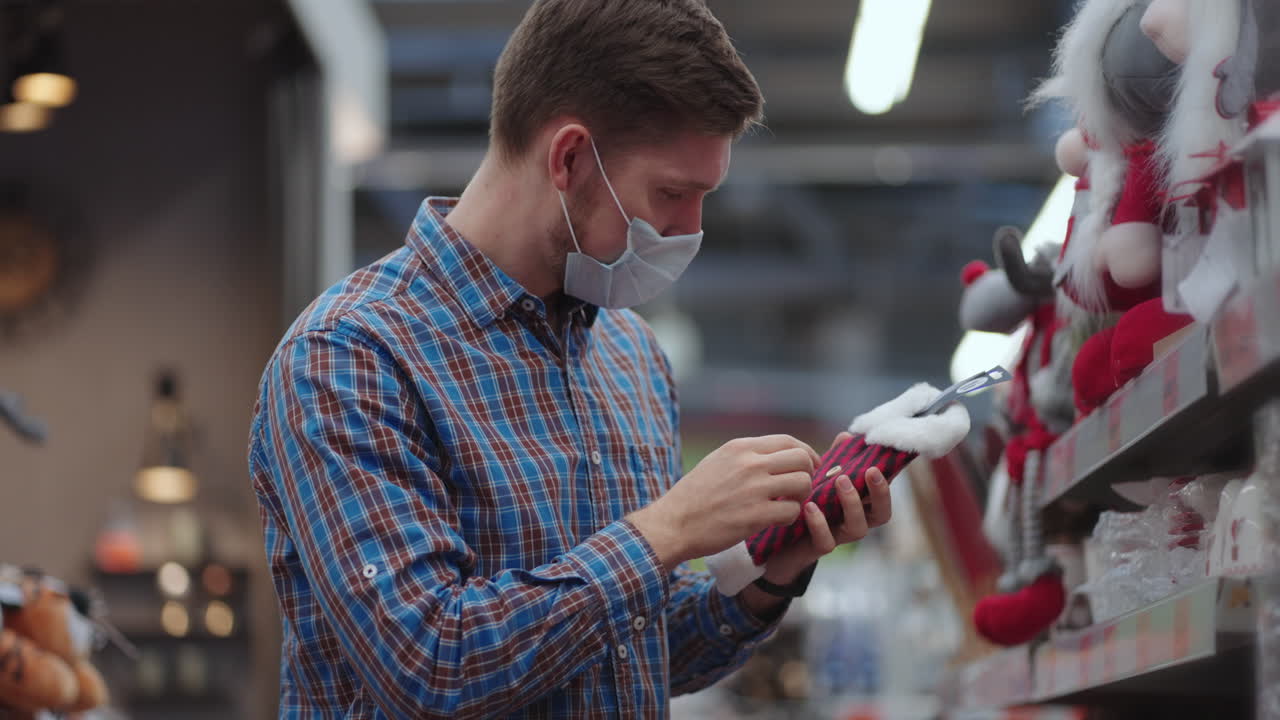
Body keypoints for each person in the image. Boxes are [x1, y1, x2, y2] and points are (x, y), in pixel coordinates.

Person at [248, 1, 893, 717]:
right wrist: (667, 530)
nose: (691, 230)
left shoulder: (628, 356)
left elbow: (640, 651)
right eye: (672, 194)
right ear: (570, 157)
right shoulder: (352, 356)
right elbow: (430, 664)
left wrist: (774, 572)